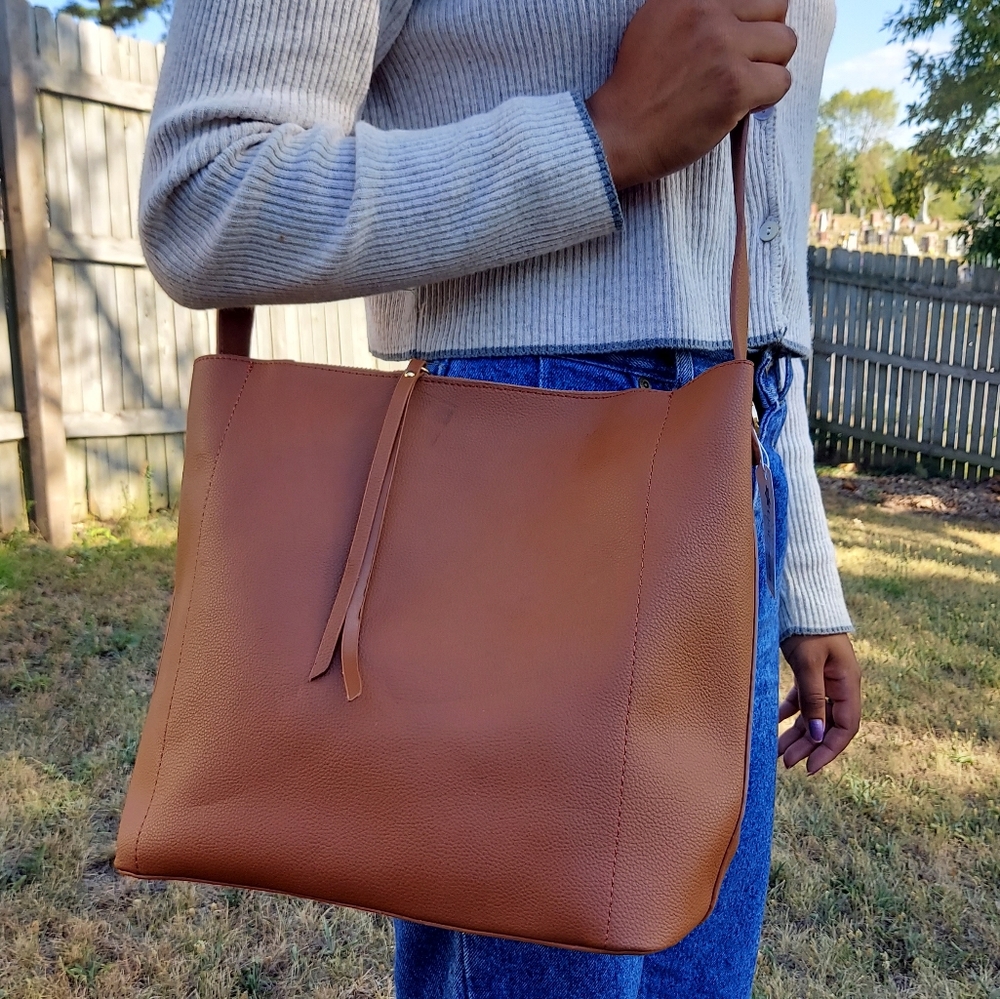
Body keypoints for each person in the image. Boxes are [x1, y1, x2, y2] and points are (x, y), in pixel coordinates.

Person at [139, 0, 863, 995]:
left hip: (724, 480)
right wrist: (597, 140)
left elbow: (760, 249)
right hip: (508, 466)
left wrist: (802, 566)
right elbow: (204, 193)